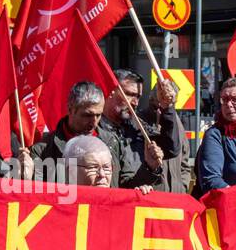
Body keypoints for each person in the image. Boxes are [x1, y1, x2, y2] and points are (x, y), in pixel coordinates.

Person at [30, 81, 163, 189]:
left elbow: (126, 186)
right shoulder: (44, 149)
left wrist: (149, 168)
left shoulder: (111, 142)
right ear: (70, 109)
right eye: (87, 115)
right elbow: (32, 194)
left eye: (98, 115)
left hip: (104, 218)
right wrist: (23, 175)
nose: (94, 122)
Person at [103, 70, 181, 193]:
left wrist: (167, 108)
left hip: (131, 205)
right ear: (111, 92)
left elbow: (170, 148)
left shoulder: (137, 126)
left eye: (138, 96)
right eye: (129, 94)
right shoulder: (92, 129)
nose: (135, 102)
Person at [137, 75, 187, 193]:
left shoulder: (176, 124)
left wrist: (182, 186)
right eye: (160, 105)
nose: (163, 110)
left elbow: (184, 160)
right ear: (151, 100)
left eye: (169, 105)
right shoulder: (139, 123)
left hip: (176, 196)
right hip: (151, 195)